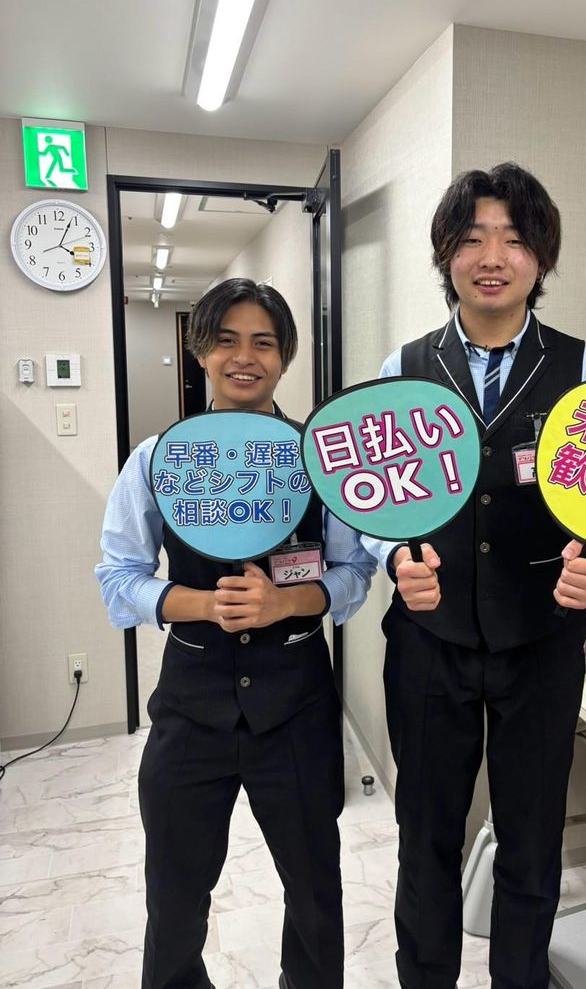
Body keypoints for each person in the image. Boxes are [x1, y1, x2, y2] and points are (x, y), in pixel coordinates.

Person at [364, 163, 586, 989]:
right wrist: (393, 558)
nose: (492, 257)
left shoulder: (585, 368)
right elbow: (372, 500)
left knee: (532, 839)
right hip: (428, 642)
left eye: (513, 238)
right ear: (447, 255)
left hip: (541, 641)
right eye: (472, 238)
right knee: (425, 836)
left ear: (540, 258)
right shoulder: (401, 368)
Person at [96, 278, 376, 989]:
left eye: (263, 343)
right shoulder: (157, 458)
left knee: (315, 894)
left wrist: (287, 604)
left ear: (284, 358)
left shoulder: (321, 458)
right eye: (226, 341)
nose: (244, 357)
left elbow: (353, 573)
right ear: (200, 351)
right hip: (191, 709)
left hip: (298, 707)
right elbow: (118, 579)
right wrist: (198, 603)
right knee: (174, 897)